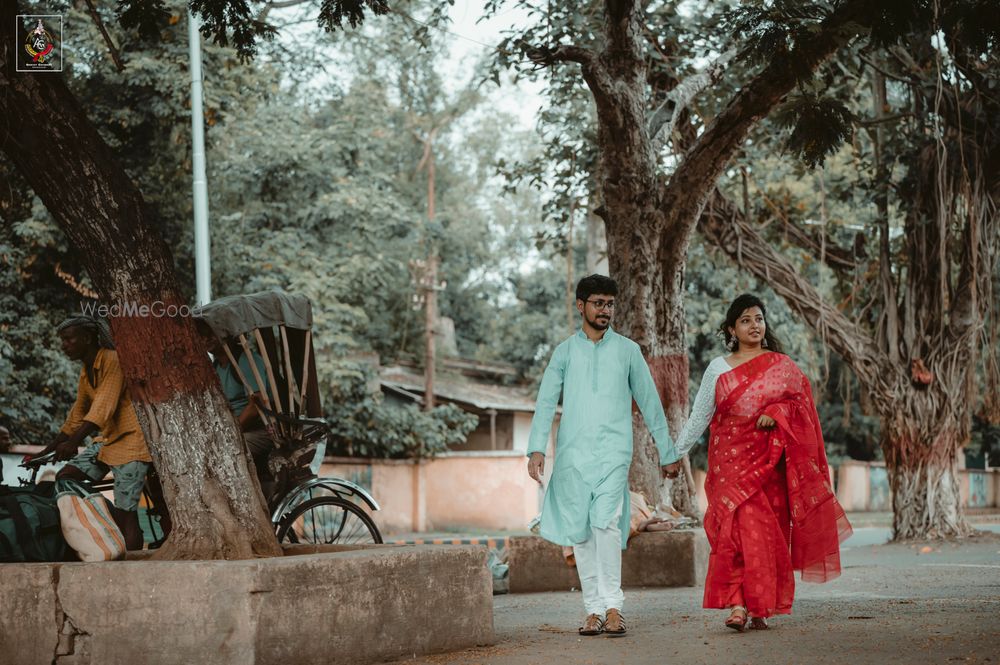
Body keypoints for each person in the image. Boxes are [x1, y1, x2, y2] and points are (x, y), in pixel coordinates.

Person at [661, 294, 852, 631]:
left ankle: (759, 604)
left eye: (758, 318)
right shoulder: (719, 368)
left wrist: (776, 412)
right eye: (745, 320)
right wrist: (675, 452)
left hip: (770, 465)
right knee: (733, 532)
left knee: (766, 534)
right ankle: (737, 605)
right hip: (730, 463)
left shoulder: (782, 366)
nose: (754, 325)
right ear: (732, 329)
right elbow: (700, 417)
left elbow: (803, 410)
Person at [526, 274, 675, 638]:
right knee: (580, 531)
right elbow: (546, 400)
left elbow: (650, 402)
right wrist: (535, 448)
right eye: (598, 303)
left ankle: (613, 608)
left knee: (605, 525)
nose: (605, 310)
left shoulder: (627, 351)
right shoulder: (564, 352)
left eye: (609, 303)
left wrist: (666, 450)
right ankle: (592, 609)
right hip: (574, 455)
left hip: (613, 452)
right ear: (581, 306)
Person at [36, 316, 153, 550]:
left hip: (132, 442)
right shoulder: (86, 369)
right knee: (66, 477)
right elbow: (78, 411)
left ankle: (129, 562)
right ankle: (103, 517)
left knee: (127, 514)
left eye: (68, 339)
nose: (64, 345)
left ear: (87, 338)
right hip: (108, 442)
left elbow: (103, 407)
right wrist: (50, 447)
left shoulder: (113, 360)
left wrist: (73, 443)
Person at [195, 320, 274, 497]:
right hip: (236, 430)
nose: (206, 338)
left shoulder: (247, 361)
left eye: (211, 333)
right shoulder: (217, 367)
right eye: (202, 334)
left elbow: (256, 405)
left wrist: (231, 430)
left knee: (224, 451)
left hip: (261, 430)